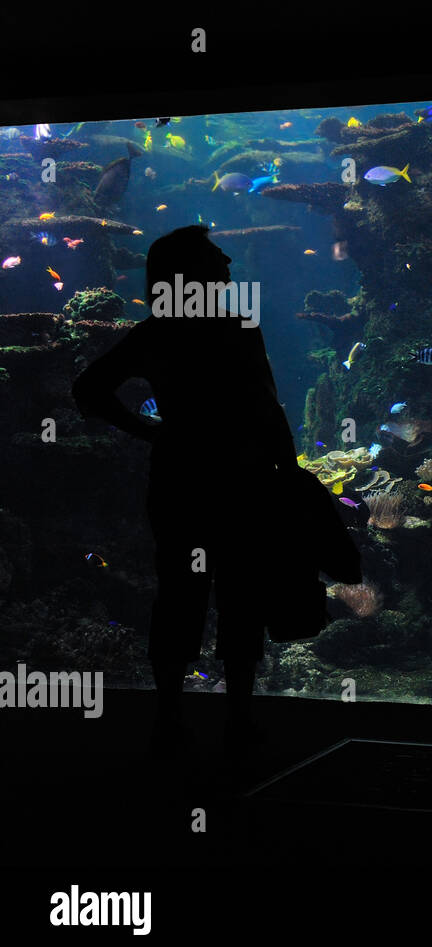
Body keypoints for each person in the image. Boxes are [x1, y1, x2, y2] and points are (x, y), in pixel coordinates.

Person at [72, 226, 299, 755]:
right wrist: (287, 470)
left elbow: (88, 390)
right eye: (212, 253)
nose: (224, 258)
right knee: (242, 594)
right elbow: (268, 405)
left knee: (179, 594)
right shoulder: (238, 325)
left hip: (180, 479)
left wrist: (148, 431)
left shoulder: (156, 331)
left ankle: (168, 718)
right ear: (190, 269)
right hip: (242, 480)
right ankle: (239, 719)